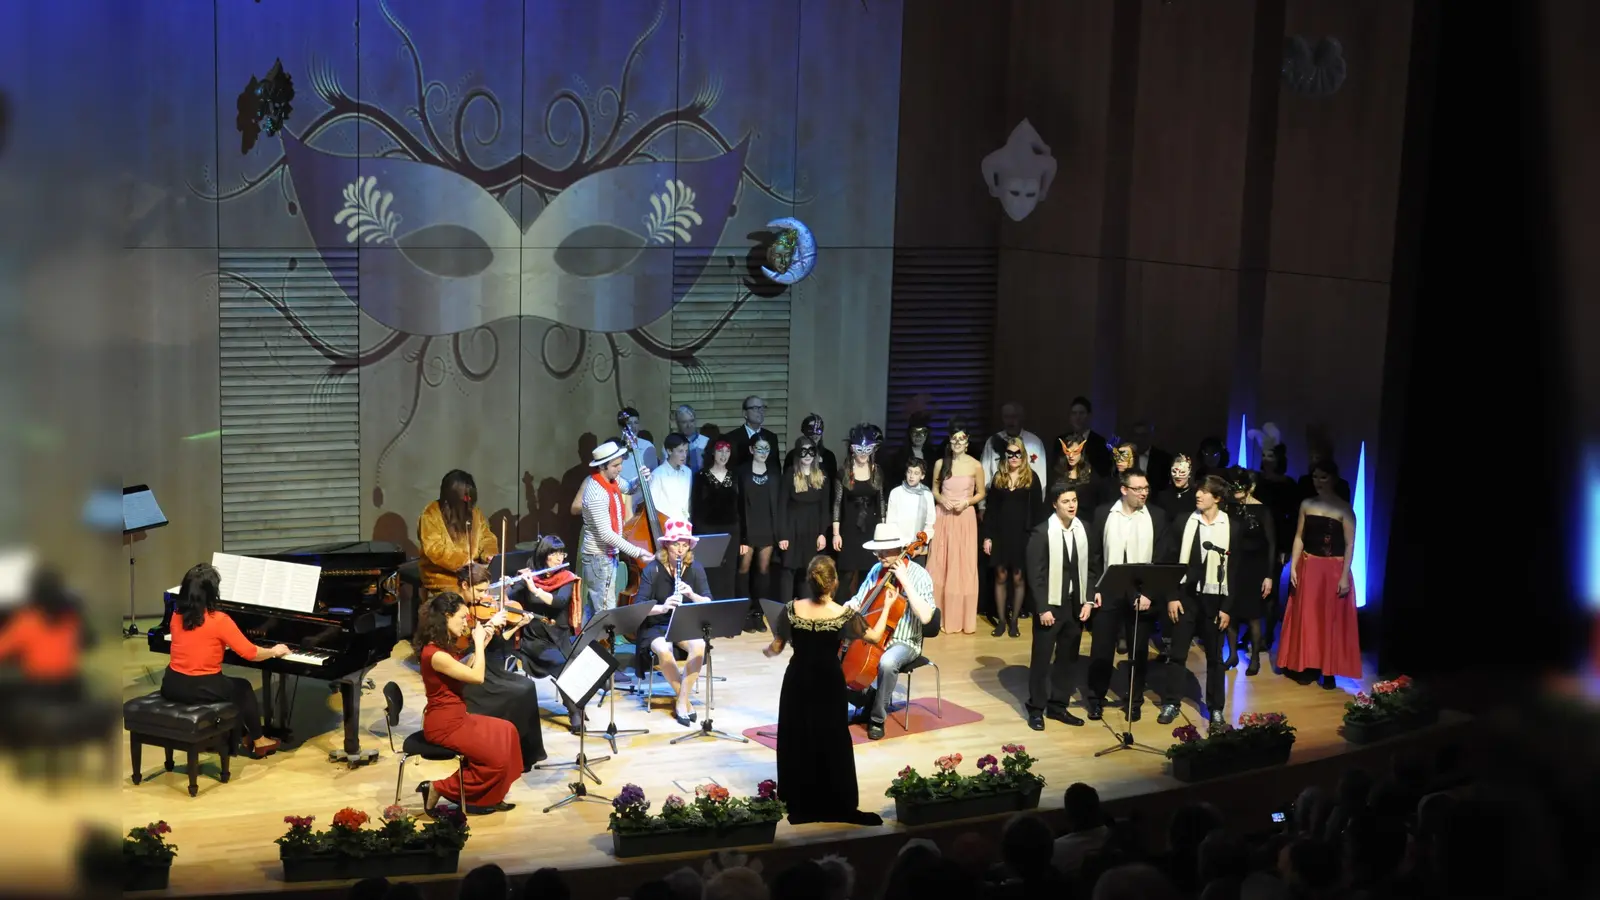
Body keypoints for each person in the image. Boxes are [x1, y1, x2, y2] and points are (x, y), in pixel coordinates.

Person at [762, 555, 883, 826]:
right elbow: (874, 637)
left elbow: (777, 647)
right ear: (834, 582)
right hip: (829, 681)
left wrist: (767, 650)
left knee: (798, 736)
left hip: (798, 680)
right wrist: (886, 609)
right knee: (832, 737)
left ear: (809, 581)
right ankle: (835, 800)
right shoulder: (844, 614)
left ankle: (800, 800)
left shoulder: (792, 609)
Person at [159, 563, 288, 758]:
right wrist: (274, 651)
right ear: (212, 592)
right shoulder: (219, 620)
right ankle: (259, 741)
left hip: (171, 684)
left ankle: (241, 734)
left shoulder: (177, 616)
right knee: (242, 688)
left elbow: (196, 642)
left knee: (228, 687)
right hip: (201, 687)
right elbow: (251, 653)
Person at [411, 592, 521, 815]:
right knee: (496, 761)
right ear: (446, 616)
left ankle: (492, 795)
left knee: (507, 732)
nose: (466, 623)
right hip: (444, 725)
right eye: (462, 617)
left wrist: (486, 637)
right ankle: (437, 787)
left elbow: (467, 667)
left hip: (458, 716)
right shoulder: (435, 654)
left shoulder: (443, 647)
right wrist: (479, 644)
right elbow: (477, 677)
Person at [1085, 468, 1174, 722]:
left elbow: (1161, 559)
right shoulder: (1104, 513)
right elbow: (1094, 557)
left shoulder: (1157, 516)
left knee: (1138, 651)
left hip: (1141, 593)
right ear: (1124, 490)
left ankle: (1133, 701)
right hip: (1108, 591)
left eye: (1146, 488)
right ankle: (1096, 699)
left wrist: (1150, 593)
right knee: (1101, 649)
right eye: (1138, 489)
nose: (1144, 493)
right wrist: (1095, 591)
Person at [1158, 475, 1243, 730]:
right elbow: (1170, 560)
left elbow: (1235, 570)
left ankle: (1216, 709)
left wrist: (1227, 608)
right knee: (1177, 653)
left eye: (1205, 492)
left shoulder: (1232, 527)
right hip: (1186, 597)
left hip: (1215, 599)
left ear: (1217, 498)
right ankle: (1171, 702)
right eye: (1198, 490)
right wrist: (1172, 596)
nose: (1198, 495)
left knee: (1216, 658)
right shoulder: (1185, 521)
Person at [843, 524, 937, 740]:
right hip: (876, 636)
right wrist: (843, 610)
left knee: (887, 662)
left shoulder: (919, 575)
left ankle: (876, 718)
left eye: (885, 551)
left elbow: (926, 617)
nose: (880, 556)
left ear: (900, 548)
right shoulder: (877, 571)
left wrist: (905, 581)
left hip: (905, 641)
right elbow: (859, 600)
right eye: (878, 551)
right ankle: (867, 700)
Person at [1278, 459, 1361, 689]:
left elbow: (1350, 544)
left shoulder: (1345, 508)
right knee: (1308, 618)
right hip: (1309, 565)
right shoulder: (1306, 503)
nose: (1318, 482)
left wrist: (1344, 575)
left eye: (1323, 477)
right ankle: (1307, 665)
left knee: (1329, 620)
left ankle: (1329, 670)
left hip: (1333, 569)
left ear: (1333, 479)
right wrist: (1294, 566)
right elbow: (1298, 537)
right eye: (1315, 477)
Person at [1022, 483, 1092, 729]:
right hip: (1050, 606)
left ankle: (1058, 706)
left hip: (1075, 605)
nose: (1072, 505)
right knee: (1041, 660)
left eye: (1074, 500)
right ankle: (1036, 708)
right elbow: (1035, 574)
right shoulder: (1042, 533)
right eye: (1066, 501)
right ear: (1055, 504)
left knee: (1067, 659)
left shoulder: (1084, 530)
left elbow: (1092, 568)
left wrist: (1089, 600)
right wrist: (1042, 608)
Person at [632, 519, 710, 725]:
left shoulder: (695, 567)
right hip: (656, 624)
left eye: (685, 546)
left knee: (700, 645)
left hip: (684, 622)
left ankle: (681, 701)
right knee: (663, 649)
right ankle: (684, 702)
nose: (680, 550)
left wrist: (692, 595)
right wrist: (664, 607)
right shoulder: (653, 570)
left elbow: (708, 601)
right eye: (676, 545)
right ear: (667, 545)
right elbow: (640, 606)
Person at [578, 440, 653, 622]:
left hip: (606, 555)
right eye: (615, 465)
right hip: (598, 557)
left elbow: (628, 487)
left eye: (621, 463)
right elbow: (606, 534)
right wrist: (637, 552)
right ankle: (601, 647)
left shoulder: (610, 481)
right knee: (605, 610)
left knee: (598, 607)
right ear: (602, 466)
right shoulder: (597, 492)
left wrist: (641, 478)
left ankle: (592, 647)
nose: (620, 469)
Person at [983, 435, 1045, 637]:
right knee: (1000, 575)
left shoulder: (1031, 478)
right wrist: (987, 537)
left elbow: (1037, 511)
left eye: (1018, 453)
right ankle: (1001, 621)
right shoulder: (998, 478)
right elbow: (991, 510)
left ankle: (1015, 621)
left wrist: (1036, 538)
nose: (1014, 457)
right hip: (1001, 533)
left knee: (1018, 578)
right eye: (1010, 453)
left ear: (1023, 455)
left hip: (1022, 534)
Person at [927, 421, 984, 634]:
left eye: (962, 439)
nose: (958, 442)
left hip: (964, 517)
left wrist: (967, 502)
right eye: (954, 438)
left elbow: (981, 493)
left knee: (962, 565)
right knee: (940, 563)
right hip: (944, 516)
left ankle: (960, 619)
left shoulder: (976, 465)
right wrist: (942, 499)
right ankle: (937, 617)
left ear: (967, 442)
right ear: (949, 441)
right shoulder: (941, 463)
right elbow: (934, 489)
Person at [1222, 468, 1276, 676]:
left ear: (1250, 487)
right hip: (1234, 565)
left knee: (1254, 615)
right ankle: (1233, 654)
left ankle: (1254, 658)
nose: (1235, 490)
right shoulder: (1229, 508)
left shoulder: (1263, 511)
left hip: (1255, 568)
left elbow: (1271, 544)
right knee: (1231, 612)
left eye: (1239, 486)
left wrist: (1269, 575)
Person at [418, 470, 498, 598]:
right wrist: (465, 562)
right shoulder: (431, 514)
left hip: (474, 573)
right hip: (443, 575)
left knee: (497, 589)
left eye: (470, 499)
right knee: (465, 595)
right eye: (464, 499)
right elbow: (434, 548)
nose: (468, 503)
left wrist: (489, 554)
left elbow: (487, 537)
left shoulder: (475, 513)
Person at [774, 436, 832, 605]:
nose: (807, 455)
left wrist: (822, 534)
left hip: (813, 530)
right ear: (798, 453)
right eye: (803, 451)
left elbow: (825, 507)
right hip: (792, 529)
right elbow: (781, 507)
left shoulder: (822, 476)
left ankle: (805, 611)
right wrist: (782, 535)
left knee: (808, 571)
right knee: (788, 571)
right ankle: (784, 612)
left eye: (811, 451)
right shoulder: (790, 475)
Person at [832, 424, 888, 597]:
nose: (863, 453)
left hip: (870, 528)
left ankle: (864, 615)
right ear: (852, 449)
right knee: (846, 574)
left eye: (867, 449)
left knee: (868, 574)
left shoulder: (877, 471)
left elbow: (880, 501)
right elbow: (837, 503)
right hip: (849, 529)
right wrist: (836, 533)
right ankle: (840, 614)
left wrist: (883, 531)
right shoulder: (843, 473)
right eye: (859, 449)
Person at [738, 435, 781, 632]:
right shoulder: (742, 471)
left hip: (767, 527)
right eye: (759, 448)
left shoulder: (773, 472)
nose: (763, 453)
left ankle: (758, 613)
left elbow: (779, 503)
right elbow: (738, 504)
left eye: (766, 449)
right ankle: (744, 613)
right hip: (748, 528)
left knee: (763, 571)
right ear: (751, 450)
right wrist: (741, 536)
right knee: (744, 570)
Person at [690, 438, 740, 598]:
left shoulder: (735, 476)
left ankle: (727, 609)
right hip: (707, 531)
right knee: (708, 571)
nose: (723, 455)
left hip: (731, 532)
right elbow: (696, 507)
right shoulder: (700, 476)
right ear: (713, 452)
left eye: (727, 451)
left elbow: (741, 507)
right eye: (720, 450)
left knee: (728, 572)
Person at [883, 457, 936, 566]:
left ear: (922, 476)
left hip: (918, 546)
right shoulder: (896, 493)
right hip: (899, 546)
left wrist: (921, 545)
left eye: (916, 473)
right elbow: (891, 522)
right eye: (909, 472)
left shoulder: (927, 495)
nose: (912, 476)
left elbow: (930, 522)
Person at [650, 433, 695, 521]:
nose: (684, 455)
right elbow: (653, 506)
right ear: (669, 451)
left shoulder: (687, 472)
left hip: (685, 524)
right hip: (666, 525)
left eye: (686, 451)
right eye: (680, 451)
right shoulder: (658, 474)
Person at [728, 395, 779, 469]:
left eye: (762, 408)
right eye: (755, 408)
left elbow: (776, 468)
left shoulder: (772, 437)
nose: (760, 412)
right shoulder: (732, 438)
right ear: (745, 414)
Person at [784, 414, 838, 482]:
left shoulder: (829, 456)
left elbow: (832, 481)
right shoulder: (792, 455)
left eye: (818, 431)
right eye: (810, 430)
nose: (815, 435)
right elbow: (787, 481)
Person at [672, 404, 710, 472]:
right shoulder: (670, 443)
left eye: (692, 421)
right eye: (684, 422)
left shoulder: (706, 442)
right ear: (677, 423)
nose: (689, 425)